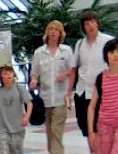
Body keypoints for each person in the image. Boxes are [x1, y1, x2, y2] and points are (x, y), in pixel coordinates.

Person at [31, 20, 76, 154]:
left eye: (56, 30)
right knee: (50, 133)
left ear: (60, 33)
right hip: (45, 99)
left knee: (56, 131)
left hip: (60, 98)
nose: (53, 32)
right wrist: (34, 80)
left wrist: (65, 74)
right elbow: (34, 72)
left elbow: (73, 70)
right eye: (50, 29)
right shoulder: (39, 53)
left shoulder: (66, 51)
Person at [72, 11, 114, 139]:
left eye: (93, 22)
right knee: (88, 132)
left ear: (97, 23)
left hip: (102, 94)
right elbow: (74, 68)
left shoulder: (109, 41)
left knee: (102, 131)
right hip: (82, 93)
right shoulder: (80, 44)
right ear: (83, 27)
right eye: (87, 23)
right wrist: (68, 91)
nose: (90, 26)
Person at [0, 64, 30, 154]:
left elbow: (29, 103)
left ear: (14, 75)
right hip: (3, 129)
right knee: (3, 151)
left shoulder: (20, 88)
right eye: (5, 73)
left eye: (10, 72)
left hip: (18, 129)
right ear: (1, 77)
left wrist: (27, 117)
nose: (8, 75)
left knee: (16, 151)